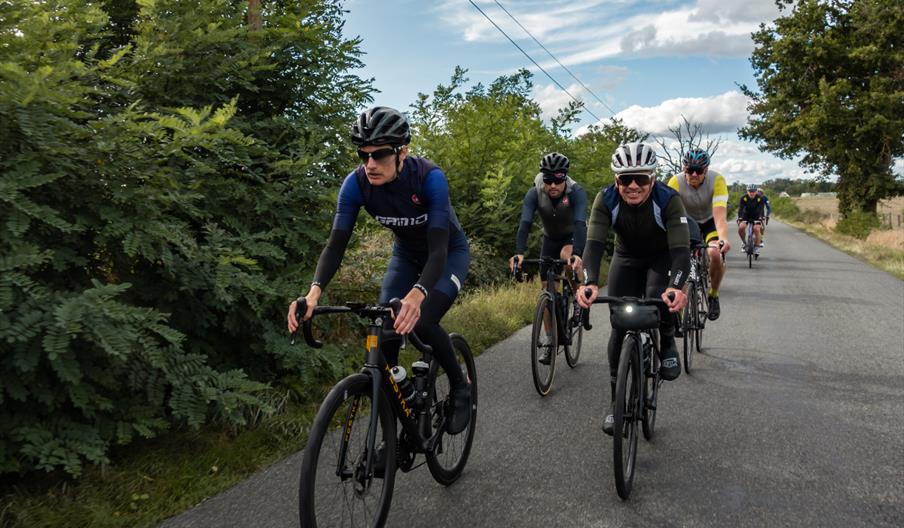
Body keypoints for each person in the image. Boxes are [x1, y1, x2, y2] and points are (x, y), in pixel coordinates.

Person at [286, 106, 472, 434]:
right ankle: (399, 406)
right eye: (363, 154)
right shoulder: (356, 184)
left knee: (422, 320)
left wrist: (417, 295)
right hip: (406, 255)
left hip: (446, 254)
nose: (370, 163)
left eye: (380, 154)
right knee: (385, 327)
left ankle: (460, 387)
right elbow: (335, 245)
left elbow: (438, 250)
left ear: (403, 152)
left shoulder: (430, 178)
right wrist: (313, 293)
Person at [578, 142, 689, 436]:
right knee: (619, 324)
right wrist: (589, 281)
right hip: (625, 257)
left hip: (661, 258)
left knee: (657, 300)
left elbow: (681, 252)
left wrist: (676, 287)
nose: (633, 186)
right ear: (617, 180)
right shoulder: (606, 199)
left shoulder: (669, 200)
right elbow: (593, 246)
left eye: (641, 178)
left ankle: (667, 339)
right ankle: (615, 402)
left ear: (652, 178)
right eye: (626, 179)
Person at [509, 152, 589, 364]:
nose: (553, 185)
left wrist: (577, 254)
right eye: (548, 180)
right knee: (546, 290)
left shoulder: (576, 192)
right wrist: (519, 252)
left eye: (558, 180)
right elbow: (525, 223)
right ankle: (550, 339)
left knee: (567, 256)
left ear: (565, 178)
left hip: (572, 237)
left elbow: (580, 224)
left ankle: (578, 294)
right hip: (550, 239)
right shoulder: (534, 192)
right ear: (542, 177)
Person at [666, 147, 731, 320]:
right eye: (690, 170)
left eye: (699, 170)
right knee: (681, 261)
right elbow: (669, 215)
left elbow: (720, 216)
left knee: (715, 254)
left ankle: (713, 294)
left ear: (706, 170)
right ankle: (678, 315)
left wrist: (723, 239)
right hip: (686, 222)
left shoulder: (717, 180)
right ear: (684, 169)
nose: (694, 174)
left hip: (710, 221)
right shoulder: (675, 182)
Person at [737, 184, 766, 256]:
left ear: (756, 191)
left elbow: (761, 209)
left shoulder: (760, 199)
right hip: (745, 216)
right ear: (747, 191)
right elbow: (741, 209)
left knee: (757, 229)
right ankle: (744, 243)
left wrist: (761, 217)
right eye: (750, 191)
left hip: (756, 217)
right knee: (741, 228)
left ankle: (756, 248)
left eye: (753, 191)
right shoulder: (743, 198)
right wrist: (740, 217)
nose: (751, 193)